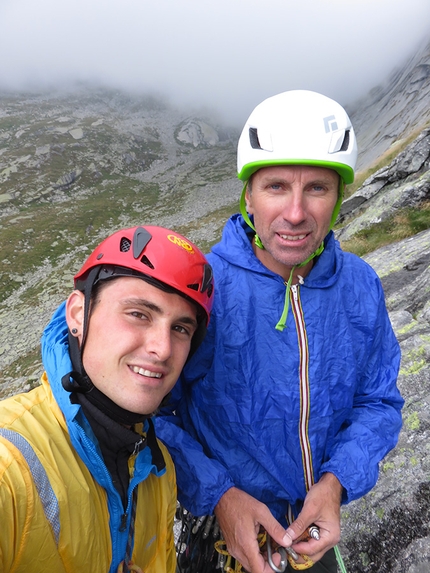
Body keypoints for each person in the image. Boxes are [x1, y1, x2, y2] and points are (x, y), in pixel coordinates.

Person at [155, 90, 403, 572]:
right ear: (248, 195)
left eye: (316, 188)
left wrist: (334, 484)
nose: (295, 213)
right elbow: (153, 409)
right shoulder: (202, 283)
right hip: (216, 531)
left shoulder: (359, 284)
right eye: (275, 187)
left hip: (311, 534)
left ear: (338, 197)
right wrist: (220, 496)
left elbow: (379, 401)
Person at [0, 225, 214, 573]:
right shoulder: (10, 466)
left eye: (180, 328)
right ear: (77, 315)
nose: (162, 349)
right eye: (139, 314)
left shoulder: (158, 472)